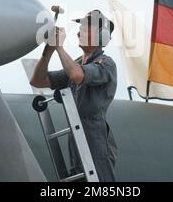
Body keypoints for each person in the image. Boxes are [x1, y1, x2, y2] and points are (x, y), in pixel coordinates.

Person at [30, 10, 118, 182]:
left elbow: (77, 76)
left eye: (85, 29)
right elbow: (38, 80)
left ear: (102, 36)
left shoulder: (106, 63)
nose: (78, 33)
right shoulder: (76, 63)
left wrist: (60, 48)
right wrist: (48, 51)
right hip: (77, 136)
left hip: (95, 138)